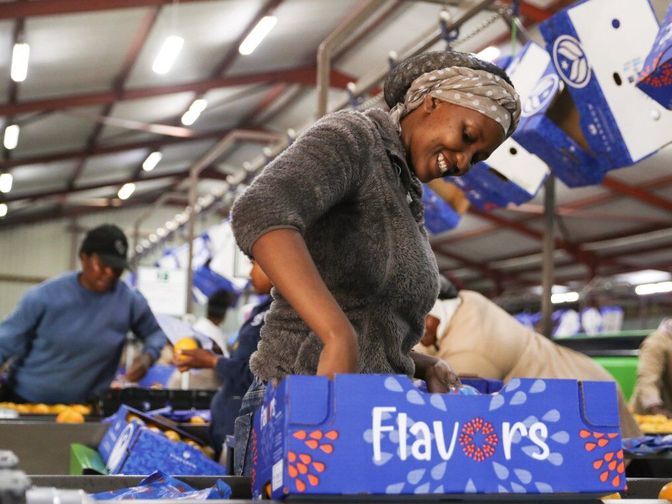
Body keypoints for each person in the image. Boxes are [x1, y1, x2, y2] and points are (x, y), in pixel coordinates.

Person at [228, 50, 521, 475]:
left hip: (371, 414)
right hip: (300, 401)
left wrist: (421, 363)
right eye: (467, 136)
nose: (462, 163)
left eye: (477, 158)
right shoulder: (354, 138)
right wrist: (336, 336)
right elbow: (259, 210)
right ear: (430, 101)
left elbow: (368, 314)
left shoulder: (405, 191)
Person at [415, 282, 641, 438]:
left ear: (434, 316)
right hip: (577, 387)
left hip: (582, 398)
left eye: (420, 320)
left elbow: (457, 415)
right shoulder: (462, 306)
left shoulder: (472, 346)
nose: (414, 330)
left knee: (604, 474)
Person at [0, 224, 166, 404]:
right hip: (26, 403)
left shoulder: (130, 301)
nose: (110, 273)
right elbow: (4, 343)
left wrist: (147, 358)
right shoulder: (44, 297)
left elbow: (155, 333)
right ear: (83, 257)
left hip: (88, 409)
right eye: (102, 265)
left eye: (117, 267)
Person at [173, 262, 273, 452]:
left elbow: (257, 374)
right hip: (229, 424)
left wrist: (212, 361)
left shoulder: (280, 316)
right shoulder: (261, 311)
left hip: (245, 432)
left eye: (254, 263)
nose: (249, 272)